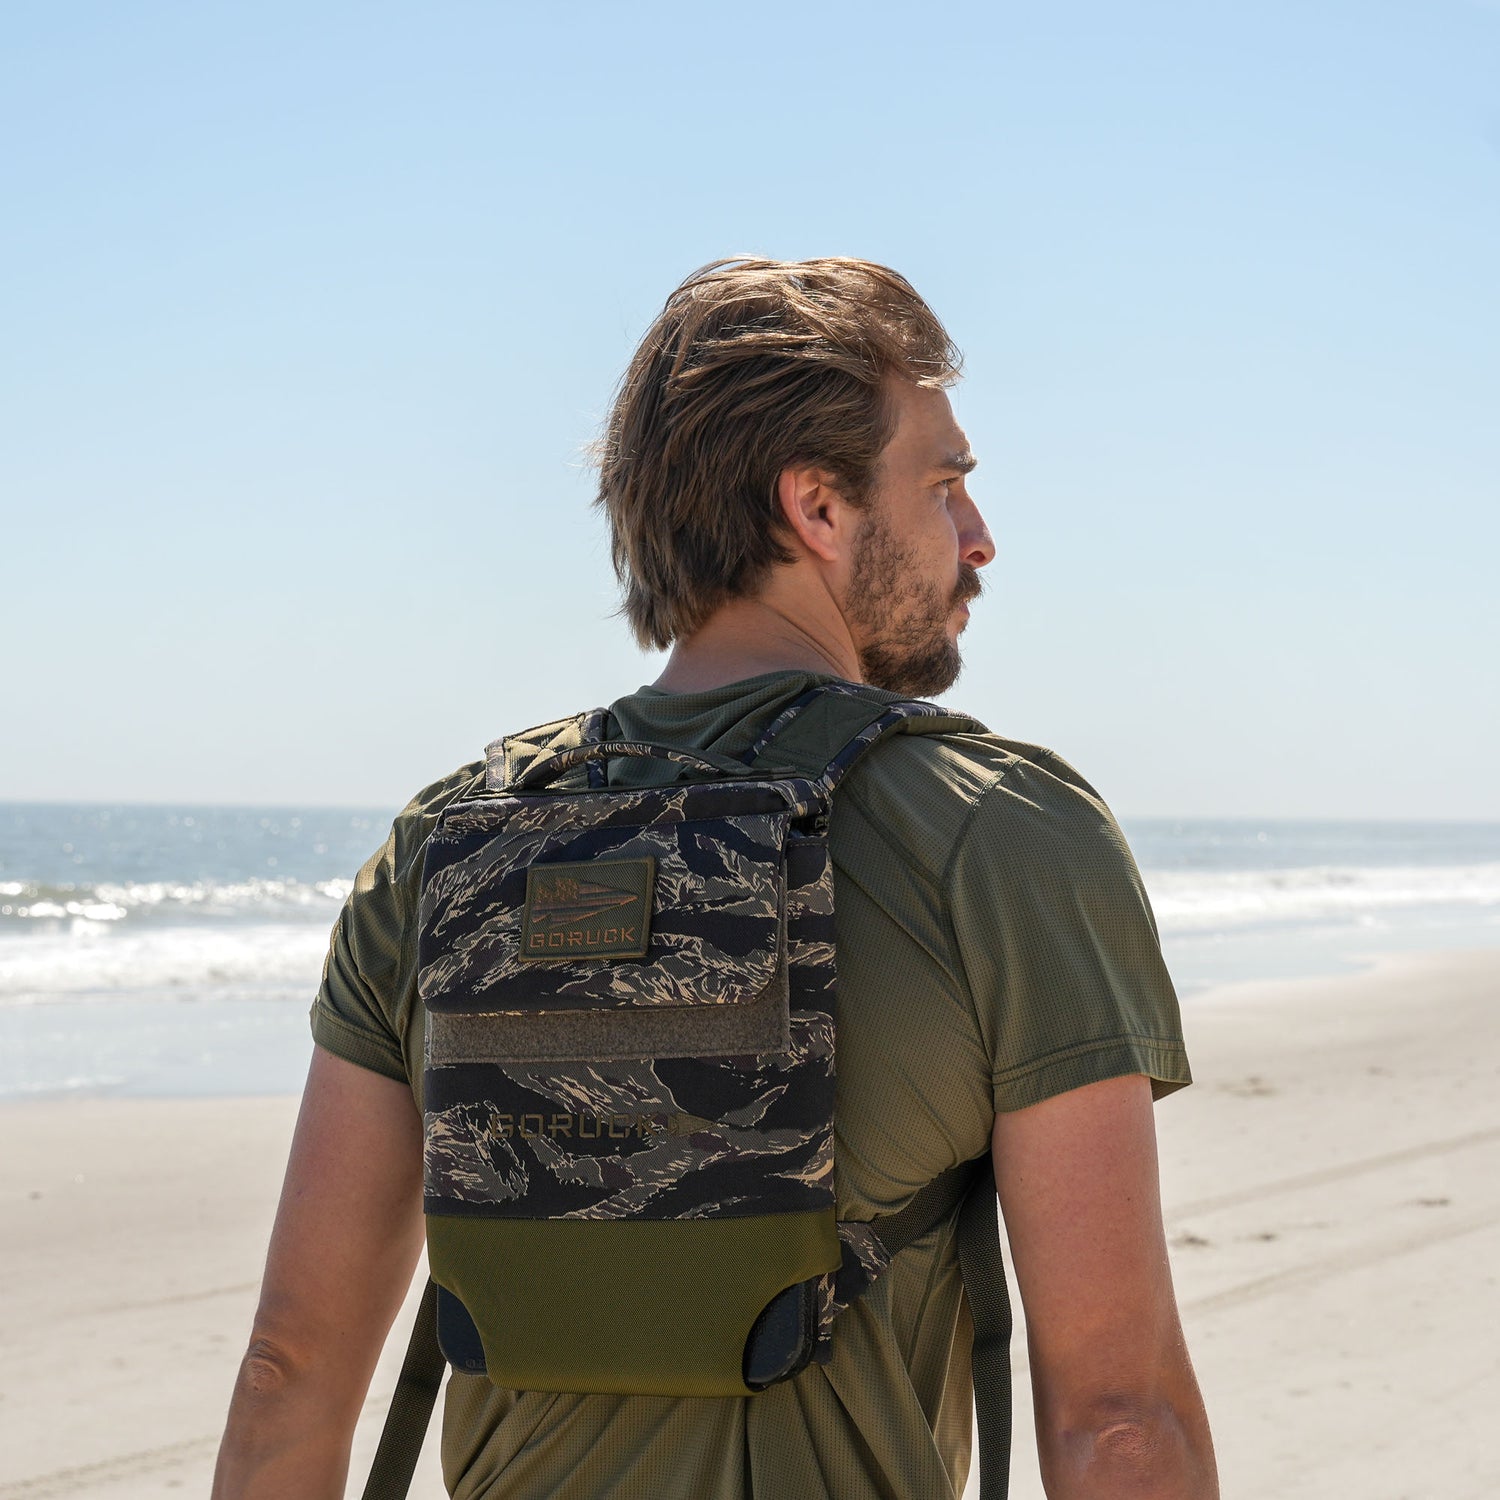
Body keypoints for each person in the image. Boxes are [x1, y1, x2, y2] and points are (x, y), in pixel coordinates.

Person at [213, 257, 1218, 1499]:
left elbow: (287, 1372)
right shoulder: (1000, 836)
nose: (979, 537)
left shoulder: (443, 847)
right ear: (820, 507)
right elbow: (1119, 1421)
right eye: (945, 484)